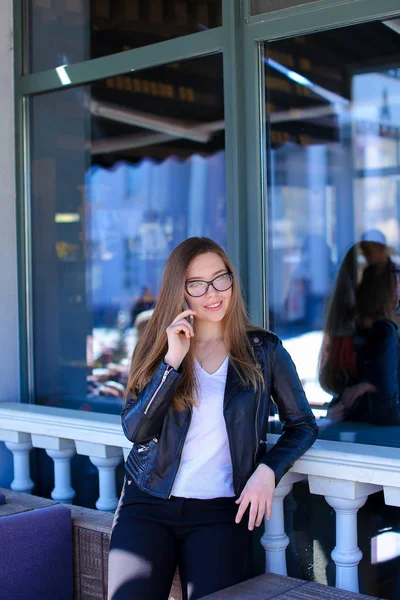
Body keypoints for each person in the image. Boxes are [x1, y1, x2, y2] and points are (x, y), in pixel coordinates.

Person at [108, 237, 318, 600]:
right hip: (147, 502)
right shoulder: (158, 346)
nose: (213, 292)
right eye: (197, 284)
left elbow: (302, 424)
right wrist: (172, 363)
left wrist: (267, 471)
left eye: (221, 278)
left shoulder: (263, 351)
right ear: (180, 290)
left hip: (220, 512)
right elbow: (135, 430)